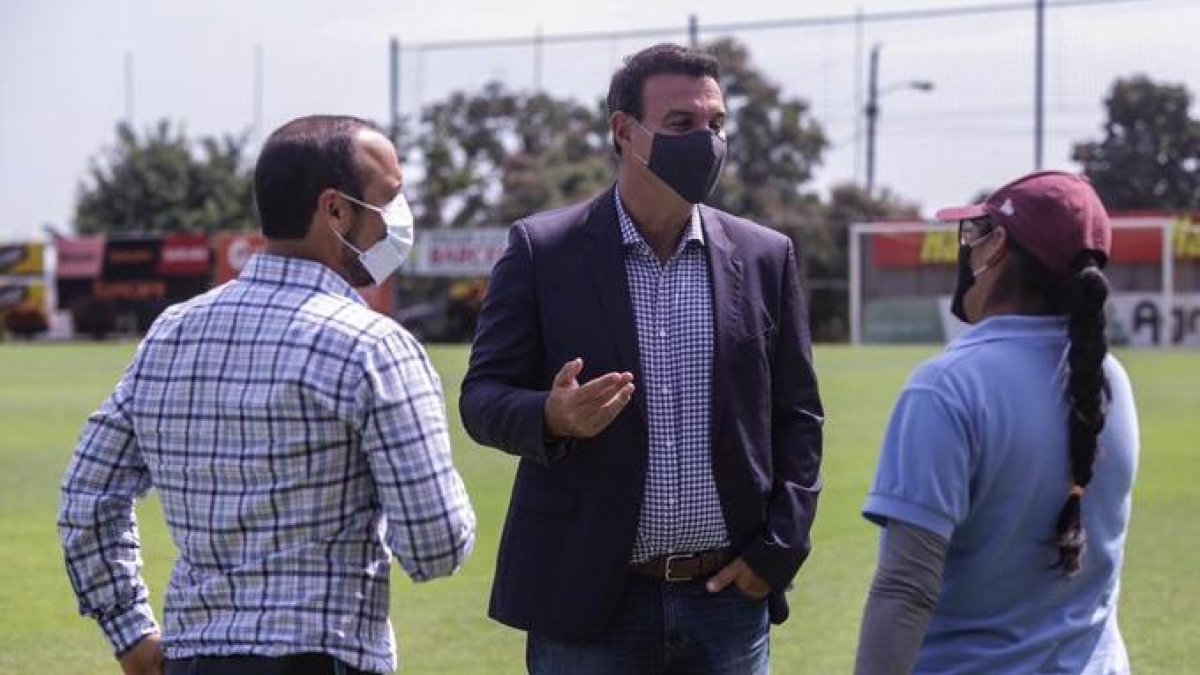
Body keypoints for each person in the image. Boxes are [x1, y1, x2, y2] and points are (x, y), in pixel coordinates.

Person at [59, 115, 476, 675]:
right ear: (336, 211)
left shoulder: (172, 332)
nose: (400, 219)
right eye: (391, 199)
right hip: (321, 655)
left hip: (192, 655)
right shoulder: (374, 348)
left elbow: (88, 496)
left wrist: (130, 631)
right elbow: (434, 547)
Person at [460, 43, 825, 674]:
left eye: (717, 125)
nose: (706, 141)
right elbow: (481, 398)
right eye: (682, 124)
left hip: (727, 605)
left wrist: (779, 550)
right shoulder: (544, 250)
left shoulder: (767, 256)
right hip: (589, 604)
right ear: (624, 131)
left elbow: (798, 417)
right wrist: (551, 416)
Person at [854, 171, 1139, 674]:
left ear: (995, 249)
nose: (966, 251)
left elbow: (905, 588)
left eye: (974, 234)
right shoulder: (1110, 379)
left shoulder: (946, 387)